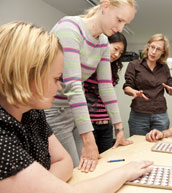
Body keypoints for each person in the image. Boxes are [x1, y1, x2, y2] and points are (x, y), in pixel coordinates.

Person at [0, 21, 153, 193]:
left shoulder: (33, 113)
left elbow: (65, 162)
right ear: (27, 75)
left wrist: (41, 185)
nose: (60, 87)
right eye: (56, 78)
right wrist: (124, 172)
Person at [44, 0, 136, 172]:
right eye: (119, 20)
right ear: (105, 6)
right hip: (53, 110)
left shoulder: (102, 42)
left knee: (85, 167)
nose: (121, 28)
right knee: (71, 169)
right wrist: (89, 139)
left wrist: (119, 128)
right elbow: (73, 85)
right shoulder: (69, 29)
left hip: (75, 112)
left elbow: (106, 87)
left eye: (125, 23)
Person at [84, 32, 132, 153]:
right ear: (105, 43)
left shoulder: (110, 69)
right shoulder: (89, 64)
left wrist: (118, 127)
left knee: (107, 158)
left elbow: (109, 98)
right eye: (115, 49)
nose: (116, 55)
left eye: (120, 53)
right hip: (89, 125)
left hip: (106, 123)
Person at [123, 33, 172, 136]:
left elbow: (170, 85)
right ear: (148, 46)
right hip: (139, 114)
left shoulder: (164, 68)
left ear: (163, 52)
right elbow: (127, 87)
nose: (153, 52)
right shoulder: (134, 65)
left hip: (160, 115)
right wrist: (134, 92)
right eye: (152, 47)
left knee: (159, 146)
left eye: (158, 49)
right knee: (138, 146)